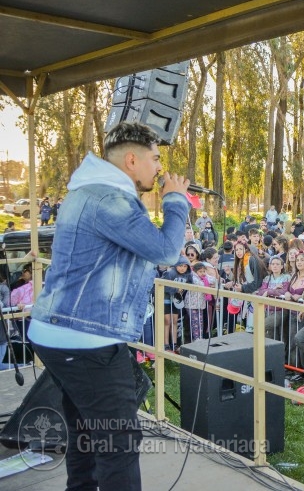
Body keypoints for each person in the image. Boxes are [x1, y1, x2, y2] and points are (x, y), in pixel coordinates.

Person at [28, 122, 190, 491]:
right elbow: (166, 250)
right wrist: (175, 199)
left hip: (62, 333)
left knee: (85, 433)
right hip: (86, 340)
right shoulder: (109, 200)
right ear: (131, 160)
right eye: (154, 159)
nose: (160, 169)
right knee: (119, 444)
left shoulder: (89, 192)